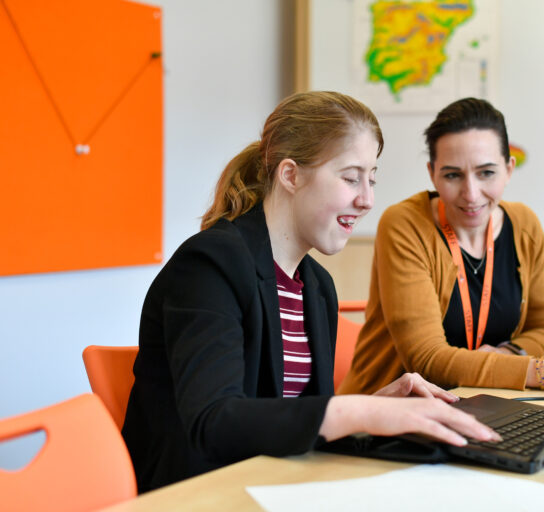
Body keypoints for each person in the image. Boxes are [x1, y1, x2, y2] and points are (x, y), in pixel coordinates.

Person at [121, 91, 499, 493]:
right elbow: (215, 422)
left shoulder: (316, 286)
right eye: (351, 177)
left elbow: (300, 423)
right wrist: (359, 411)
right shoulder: (209, 265)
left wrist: (379, 407)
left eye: (371, 179)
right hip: (201, 496)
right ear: (290, 175)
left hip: (275, 486)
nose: (367, 199)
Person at [338, 98, 544, 395]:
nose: (471, 194)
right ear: (432, 173)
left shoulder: (524, 225)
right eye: (453, 175)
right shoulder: (405, 225)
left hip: (484, 399)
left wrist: (505, 357)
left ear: (509, 169)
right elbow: (427, 359)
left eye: (486, 173)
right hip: (387, 412)